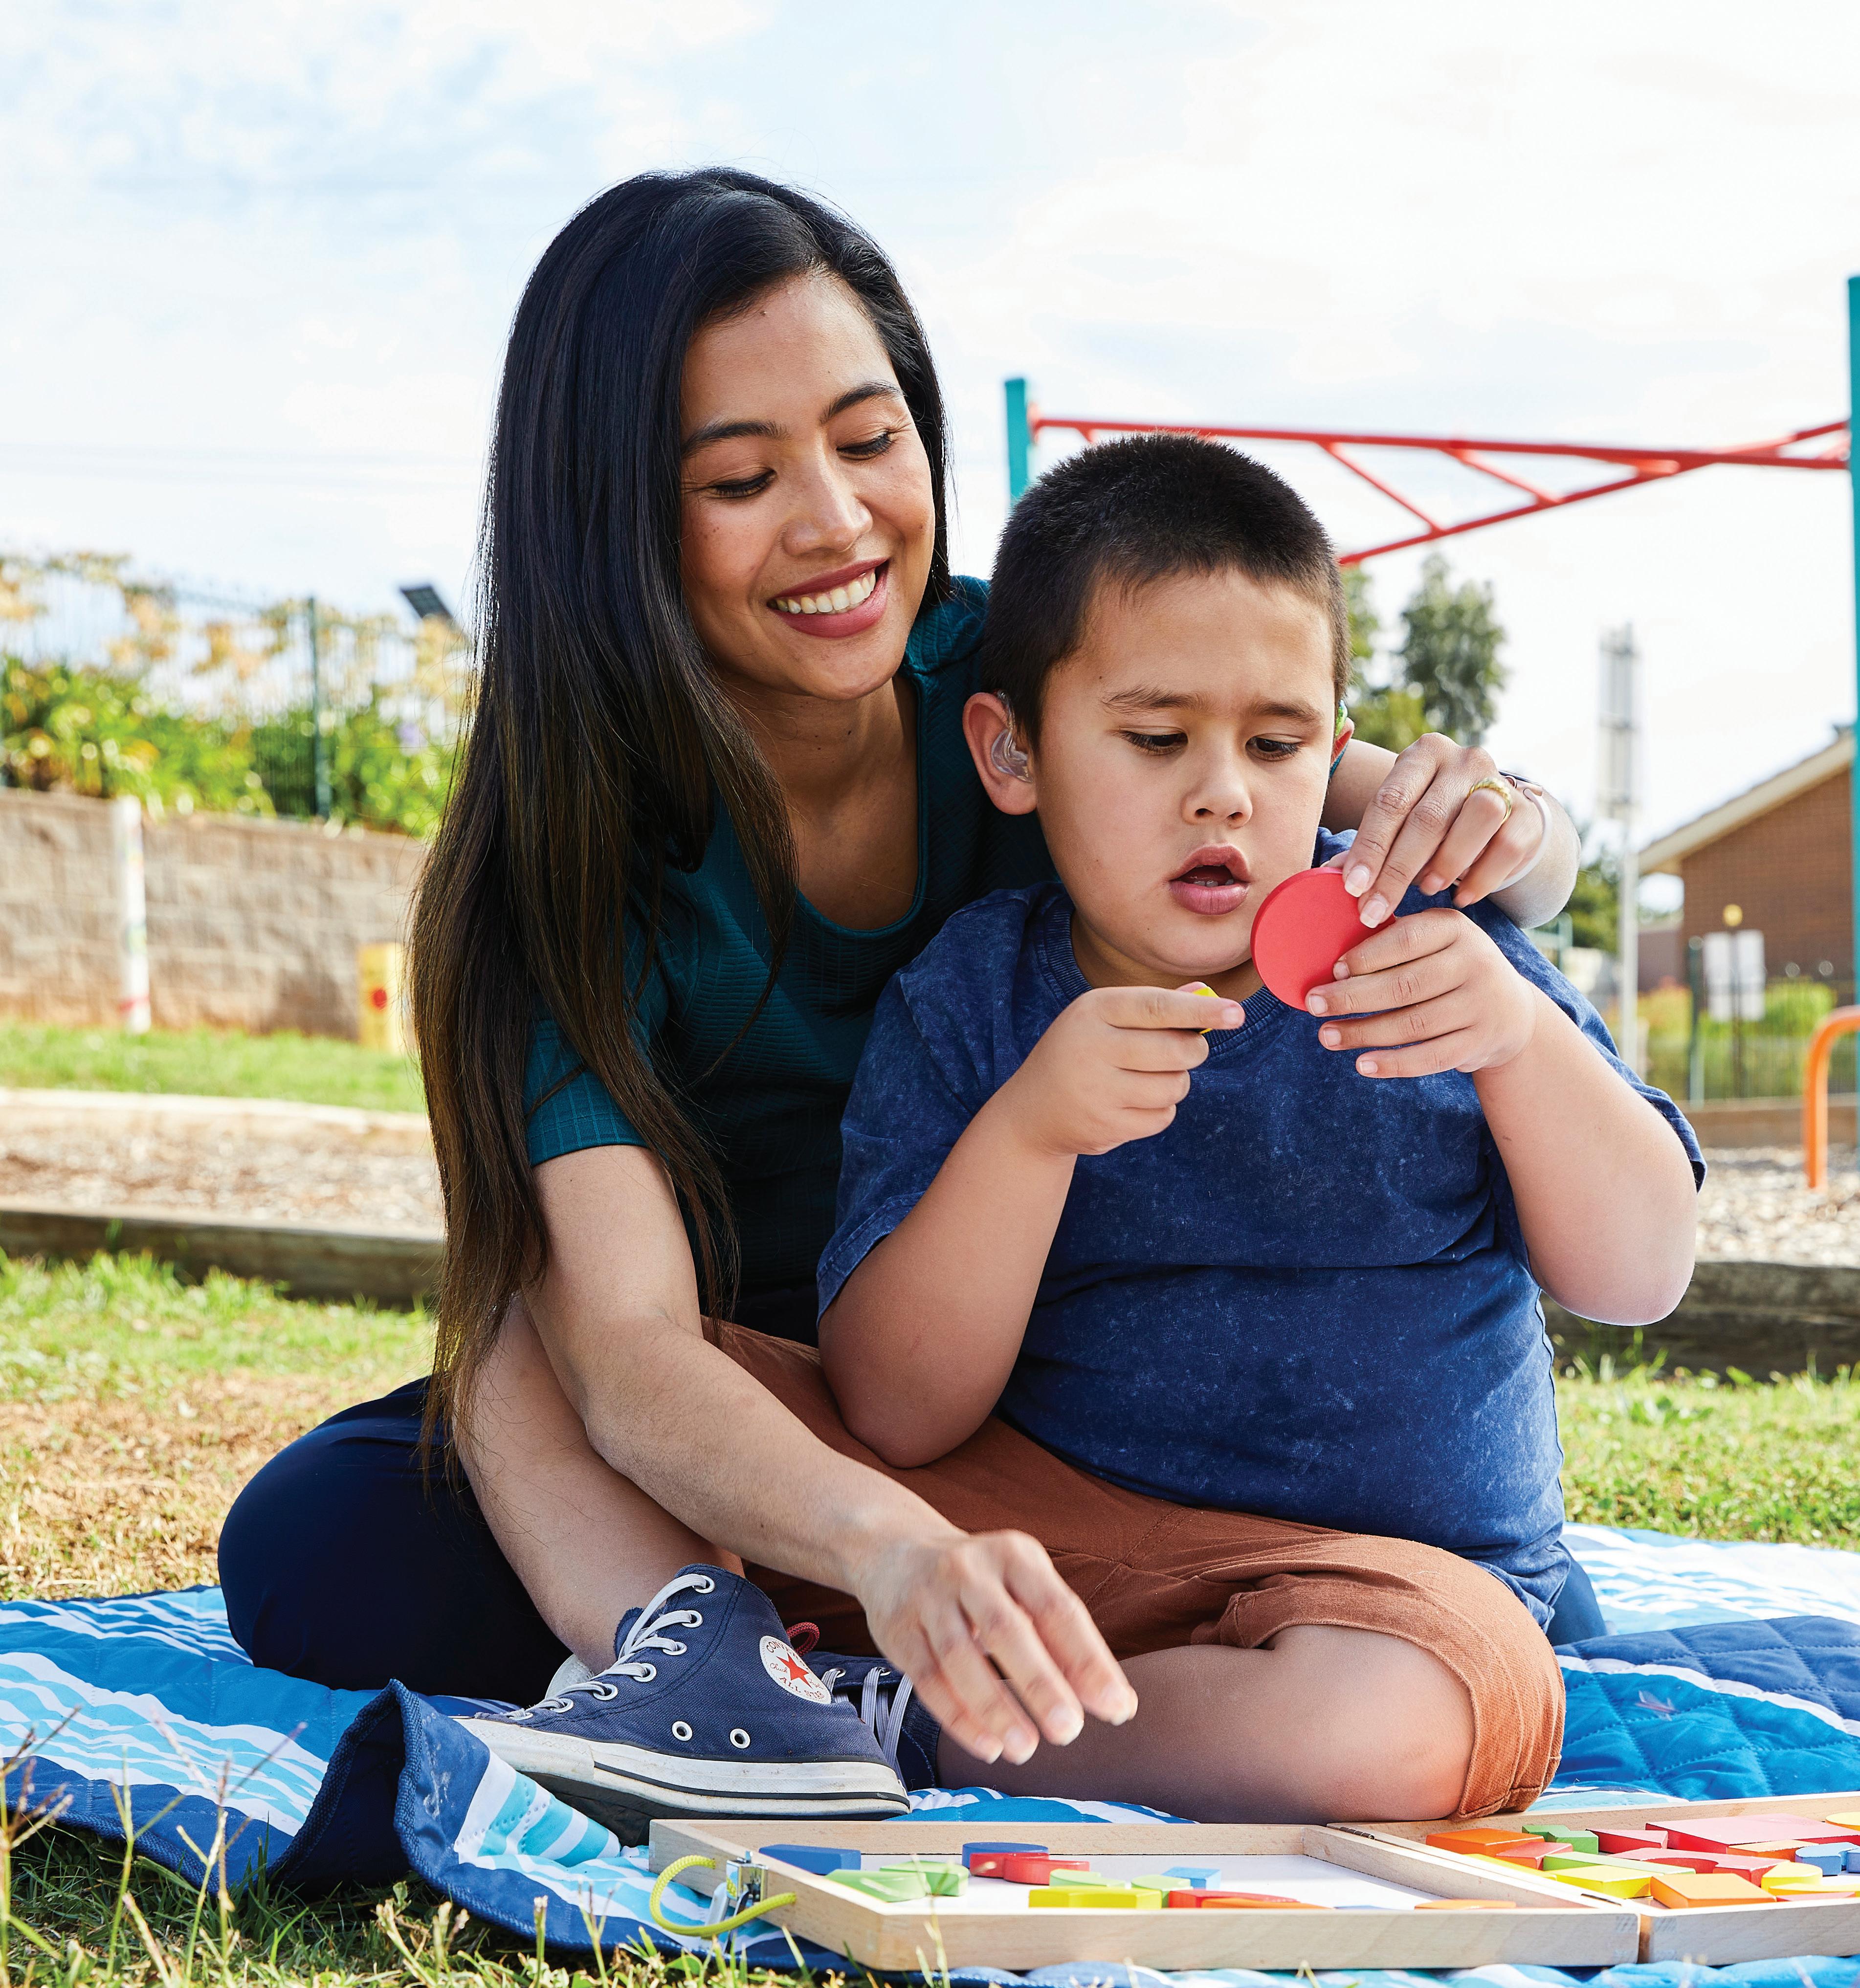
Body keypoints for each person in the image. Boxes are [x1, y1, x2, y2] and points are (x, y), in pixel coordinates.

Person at [218, 171, 1585, 1832]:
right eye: (741, 478)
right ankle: (726, 1668)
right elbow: (625, 1344)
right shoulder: (562, 868)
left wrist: (1527, 836)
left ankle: (897, 1671)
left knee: (1379, 1663)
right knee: (339, 1539)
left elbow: (1421, 814)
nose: (835, 522)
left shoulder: (1049, 687)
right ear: (614, 519)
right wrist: (887, 1543)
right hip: (755, 1396)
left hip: (1059, 1393)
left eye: (870, 441)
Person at [801, 434, 1701, 1819]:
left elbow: (1640, 1273)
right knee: (698, 1408)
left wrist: (1520, 1044)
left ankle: (918, 1726)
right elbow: (898, 1411)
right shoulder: (978, 993)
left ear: (1335, 756)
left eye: (1276, 746)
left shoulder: (1432, 947)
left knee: (1397, 1724)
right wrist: (1030, 1135)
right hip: (1068, 1560)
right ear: (1012, 751)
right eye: (1156, 739)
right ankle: (942, 1679)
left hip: (1391, 1598)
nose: (1221, 789)